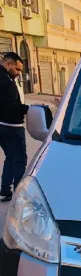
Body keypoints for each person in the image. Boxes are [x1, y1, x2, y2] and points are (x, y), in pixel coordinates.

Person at [0, 52, 29, 203]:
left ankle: (5, 191)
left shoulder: (6, 78)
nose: (18, 73)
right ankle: (18, 193)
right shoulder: (6, 82)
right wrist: (27, 108)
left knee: (10, 157)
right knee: (19, 159)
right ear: (8, 64)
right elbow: (12, 107)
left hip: (2, 126)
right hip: (12, 126)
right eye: (17, 69)